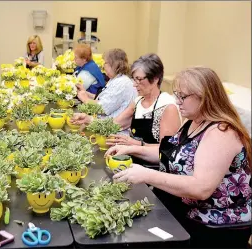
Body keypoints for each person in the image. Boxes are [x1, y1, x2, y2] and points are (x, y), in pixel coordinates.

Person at [105, 67, 251, 248]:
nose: (177, 101)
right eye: (176, 94)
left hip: (213, 226)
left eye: (183, 96)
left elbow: (201, 188)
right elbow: (171, 154)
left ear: (204, 97)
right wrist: (130, 149)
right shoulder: (193, 122)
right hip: (184, 210)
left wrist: (146, 175)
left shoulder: (222, 132)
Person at [106, 53, 181, 164]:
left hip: (153, 171)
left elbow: (167, 151)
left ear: (155, 79)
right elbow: (114, 124)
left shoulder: (167, 106)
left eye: (139, 79)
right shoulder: (138, 102)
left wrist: (135, 144)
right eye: (134, 79)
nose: (135, 85)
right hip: (132, 163)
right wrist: (89, 120)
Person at [76, 48, 137, 118]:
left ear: (114, 64)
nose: (103, 66)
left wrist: (85, 99)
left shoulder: (121, 83)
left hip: (114, 127)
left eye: (105, 63)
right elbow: (105, 99)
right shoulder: (115, 79)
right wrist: (85, 93)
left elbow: (102, 108)